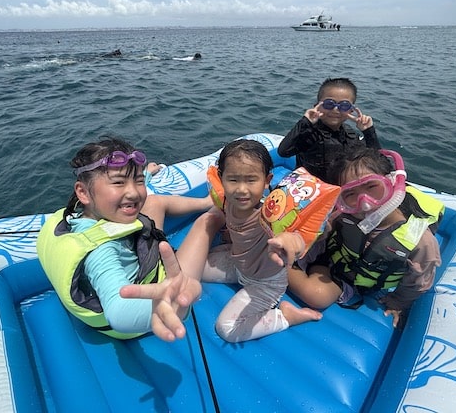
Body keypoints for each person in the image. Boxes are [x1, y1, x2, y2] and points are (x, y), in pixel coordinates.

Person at [36, 136, 215, 342]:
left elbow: (129, 190)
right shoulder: (101, 252)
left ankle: (205, 202)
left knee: (154, 203)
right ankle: (216, 209)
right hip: (149, 298)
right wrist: (170, 304)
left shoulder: (80, 215)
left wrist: (145, 174)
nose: (133, 192)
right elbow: (119, 313)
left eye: (138, 181)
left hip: (141, 263)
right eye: (119, 182)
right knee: (206, 222)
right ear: (83, 192)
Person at [275, 148, 443, 328]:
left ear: (392, 183)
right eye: (350, 193)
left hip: (351, 275)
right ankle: (278, 261)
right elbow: (321, 229)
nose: (364, 201)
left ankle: (277, 265)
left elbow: (419, 281)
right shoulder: (344, 210)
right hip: (333, 250)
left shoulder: (420, 240)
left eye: (371, 186)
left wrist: (398, 302)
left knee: (317, 295)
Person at [197, 139, 322, 343]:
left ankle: (286, 316)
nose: (242, 189)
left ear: (267, 181)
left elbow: (295, 238)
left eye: (251, 180)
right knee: (192, 268)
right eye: (233, 180)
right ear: (221, 178)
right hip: (239, 265)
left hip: (265, 284)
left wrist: (292, 241)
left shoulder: (272, 217)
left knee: (227, 329)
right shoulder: (228, 202)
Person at [277, 77, 381, 185]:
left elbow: (378, 162)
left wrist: (368, 131)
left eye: (344, 106)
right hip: (312, 188)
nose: (335, 110)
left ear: (351, 110)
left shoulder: (351, 135)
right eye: (329, 104)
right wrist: (305, 122)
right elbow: (283, 151)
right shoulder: (309, 133)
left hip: (340, 188)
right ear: (317, 106)